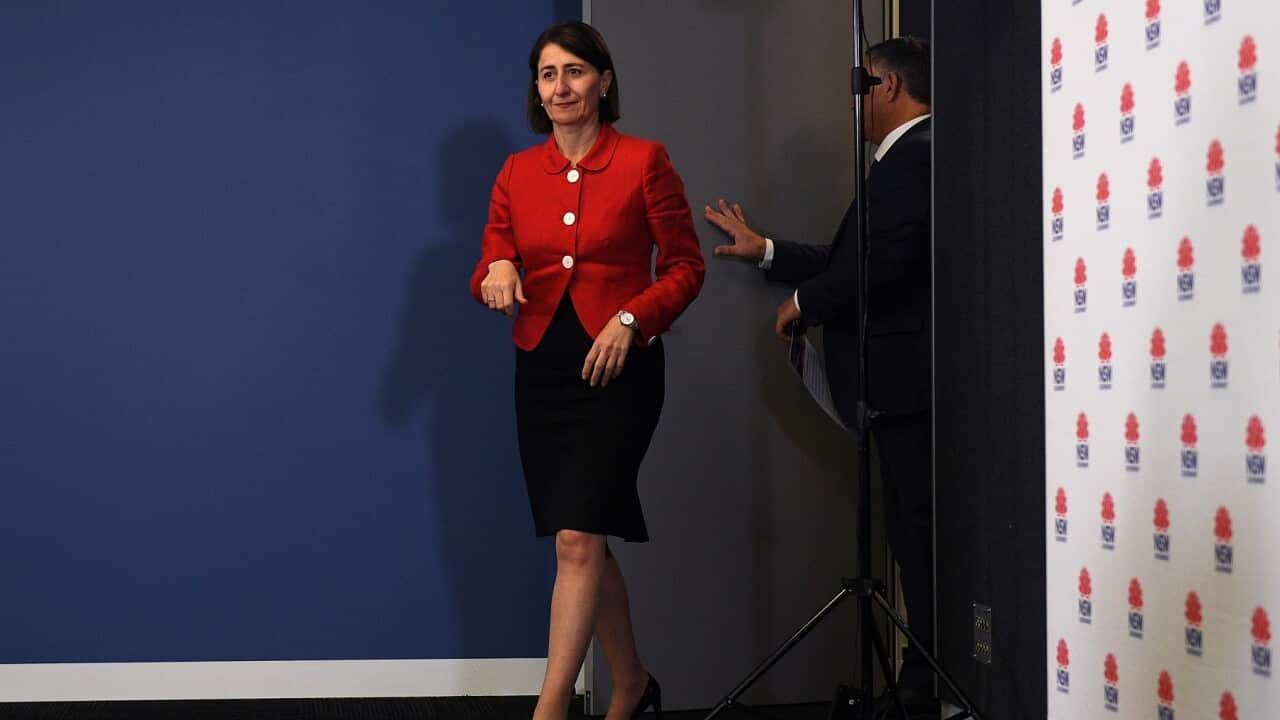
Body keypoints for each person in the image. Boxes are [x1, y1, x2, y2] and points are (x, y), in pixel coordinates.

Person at [469, 21, 705, 720]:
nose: (561, 86)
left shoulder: (645, 161)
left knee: (578, 538)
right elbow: (489, 264)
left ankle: (549, 712)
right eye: (548, 75)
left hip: (618, 371)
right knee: (582, 534)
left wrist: (633, 318)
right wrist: (498, 269)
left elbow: (686, 267)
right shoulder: (516, 173)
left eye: (574, 71)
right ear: (537, 92)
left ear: (604, 80)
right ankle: (631, 683)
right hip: (542, 369)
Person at [704, 36, 935, 715]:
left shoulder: (916, 158)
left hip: (905, 386)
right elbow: (852, 260)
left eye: (861, 87)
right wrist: (768, 252)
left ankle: (922, 685)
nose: (854, 103)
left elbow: (886, 265)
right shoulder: (903, 160)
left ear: (888, 86)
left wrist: (805, 302)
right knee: (907, 532)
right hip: (893, 390)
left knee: (917, 535)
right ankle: (916, 682)